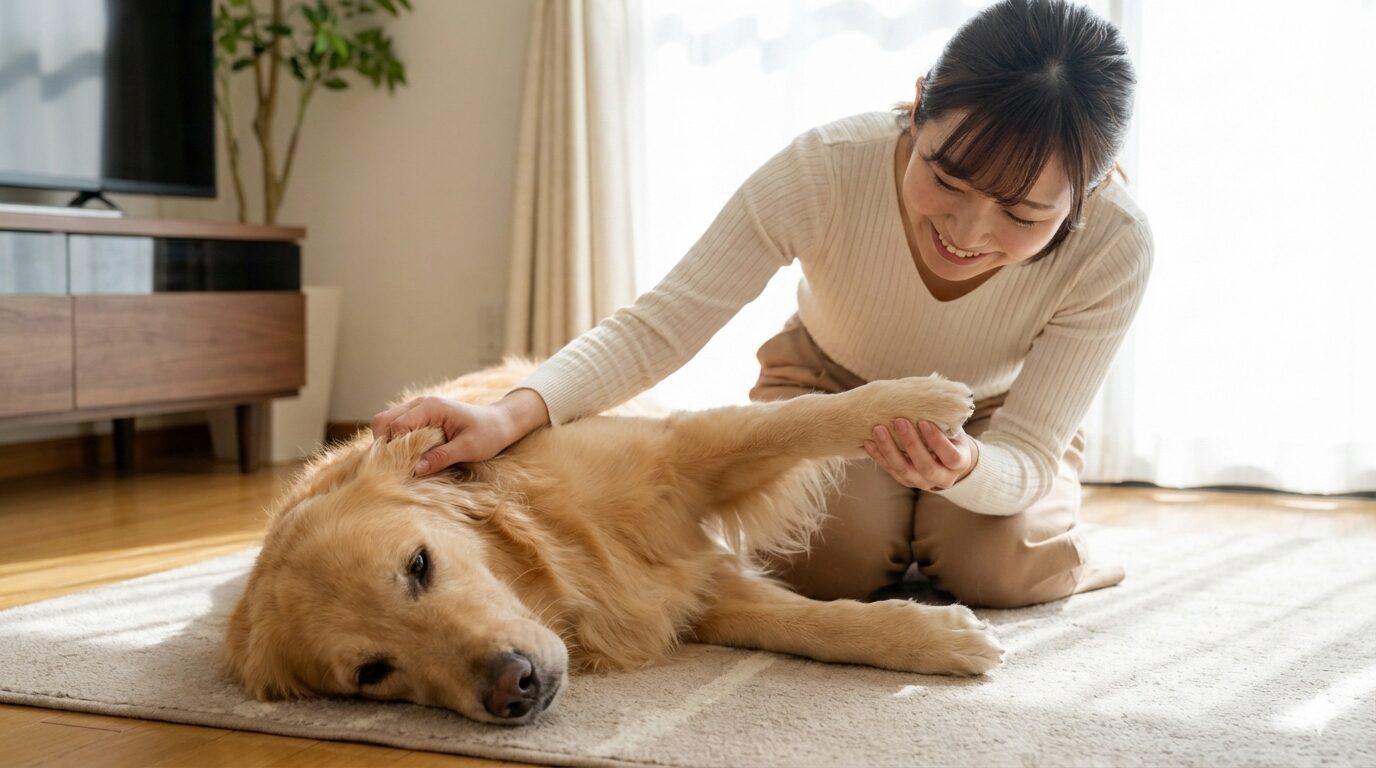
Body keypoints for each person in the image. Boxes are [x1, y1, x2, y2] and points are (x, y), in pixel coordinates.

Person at [371, 0, 1151, 609]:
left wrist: (967, 469)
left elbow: (1025, 453)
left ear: (1092, 189)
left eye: (1022, 213)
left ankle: (1027, 542)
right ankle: (912, 529)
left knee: (997, 569)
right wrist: (511, 413)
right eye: (947, 179)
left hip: (993, 418)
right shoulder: (825, 169)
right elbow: (663, 322)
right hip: (831, 386)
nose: (969, 232)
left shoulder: (1115, 244)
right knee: (822, 563)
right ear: (918, 108)